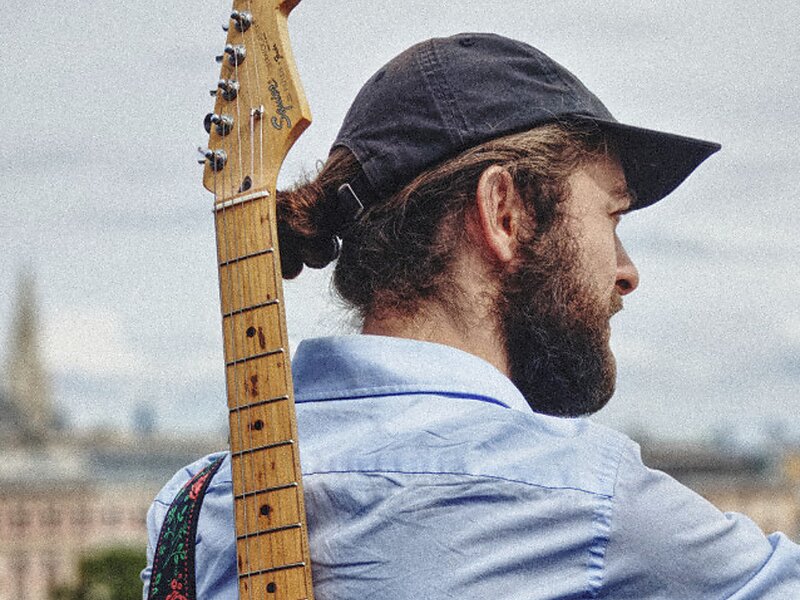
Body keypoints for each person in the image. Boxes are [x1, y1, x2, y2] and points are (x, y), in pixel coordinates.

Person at [142, 33, 800, 598]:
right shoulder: (590, 500)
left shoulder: (190, 512)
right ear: (505, 213)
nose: (627, 271)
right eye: (612, 216)